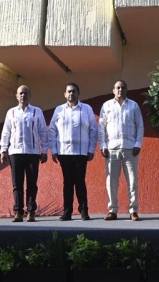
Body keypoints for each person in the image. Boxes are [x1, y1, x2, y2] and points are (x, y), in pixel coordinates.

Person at [49, 82, 98, 221]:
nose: (71, 93)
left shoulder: (86, 109)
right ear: (65, 94)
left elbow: (93, 129)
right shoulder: (59, 110)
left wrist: (91, 149)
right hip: (64, 152)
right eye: (69, 91)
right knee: (68, 182)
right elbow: (52, 130)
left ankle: (84, 211)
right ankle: (67, 211)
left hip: (81, 152)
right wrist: (53, 150)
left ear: (78, 93)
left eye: (74, 91)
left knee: (80, 182)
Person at [0, 85, 49, 222]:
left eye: (25, 93)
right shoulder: (11, 113)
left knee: (32, 184)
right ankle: (18, 212)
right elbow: (6, 132)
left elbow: (43, 132)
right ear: (16, 96)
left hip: (32, 153)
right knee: (17, 184)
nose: (23, 95)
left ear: (30, 95)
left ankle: (31, 211)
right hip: (15, 153)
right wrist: (3, 150)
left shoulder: (36, 112)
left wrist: (44, 151)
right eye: (20, 93)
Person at [99, 80, 144, 221]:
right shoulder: (106, 106)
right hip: (111, 149)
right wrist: (103, 146)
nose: (120, 90)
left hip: (130, 149)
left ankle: (133, 210)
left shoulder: (133, 105)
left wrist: (138, 144)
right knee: (111, 181)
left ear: (126, 90)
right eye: (117, 88)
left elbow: (140, 125)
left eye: (123, 88)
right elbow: (101, 127)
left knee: (132, 180)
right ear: (113, 90)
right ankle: (112, 210)